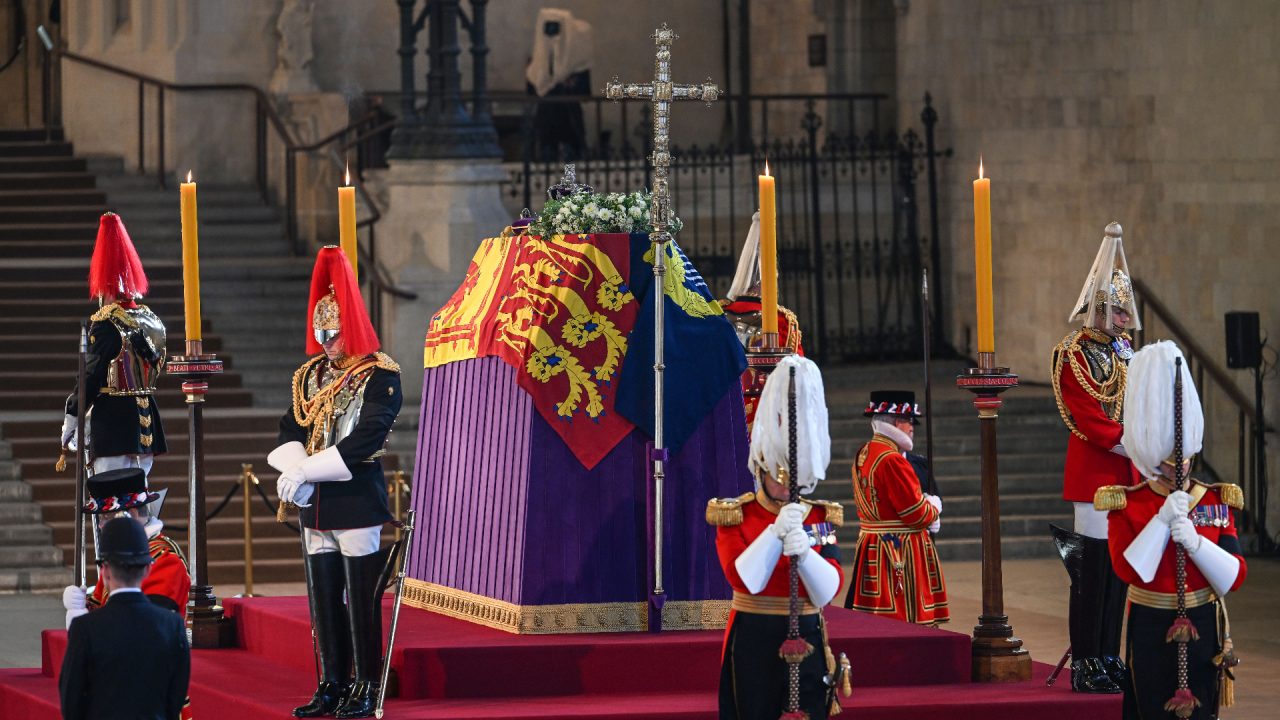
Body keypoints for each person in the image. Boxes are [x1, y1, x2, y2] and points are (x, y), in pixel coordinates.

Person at [270, 246, 402, 719]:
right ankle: (331, 681)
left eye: (335, 331)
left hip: (355, 496)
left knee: (361, 599)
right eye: (321, 331)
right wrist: (293, 466)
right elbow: (292, 426)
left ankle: (367, 682)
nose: (326, 341)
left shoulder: (379, 375)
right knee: (323, 597)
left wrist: (310, 468)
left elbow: (368, 435)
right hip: (317, 500)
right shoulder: (309, 375)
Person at [1099, 341, 1246, 720]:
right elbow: (1129, 571)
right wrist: (1161, 521)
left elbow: (1234, 575)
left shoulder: (1214, 498)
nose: (1177, 466)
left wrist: (1195, 543)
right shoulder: (1128, 503)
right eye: (1167, 461)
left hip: (1202, 622)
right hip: (1150, 623)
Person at [708, 355, 850, 719]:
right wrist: (774, 535)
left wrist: (806, 555)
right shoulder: (736, 514)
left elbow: (827, 590)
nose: (786, 487)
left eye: (794, 479)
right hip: (755, 634)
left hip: (806, 629)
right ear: (761, 469)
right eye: (778, 477)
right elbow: (744, 580)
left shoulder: (818, 515)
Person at [1049, 221, 1141, 694]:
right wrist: (1135, 440)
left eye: (1127, 312)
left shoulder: (1126, 354)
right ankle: (1085, 660)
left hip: (1127, 474)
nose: (1126, 320)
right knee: (1092, 571)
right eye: (1119, 311)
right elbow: (1088, 417)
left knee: (1118, 571)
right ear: (1100, 308)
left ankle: (1108, 654)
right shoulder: (1075, 354)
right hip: (1095, 474)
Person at [60, 467, 192, 719]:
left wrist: (85, 624)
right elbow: (105, 606)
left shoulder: (165, 559)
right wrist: (81, 605)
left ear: (128, 513)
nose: (99, 524)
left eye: (105, 517)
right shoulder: (121, 557)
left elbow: (144, 629)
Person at [60, 212, 167, 477]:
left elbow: (91, 377)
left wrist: (71, 420)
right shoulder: (151, 319)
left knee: (110, 506)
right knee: (137, 505)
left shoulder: (106, 323)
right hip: (146, 423)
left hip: (113, 424)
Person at [843, 390, 948, 625]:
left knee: (875, 617)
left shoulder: (865, 451)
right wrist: (933, 506)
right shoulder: (892, 459)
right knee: (904, 619)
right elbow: (916, 514)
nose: (912, 427)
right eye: (909, 421)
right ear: (897, 422)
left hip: (874, 543)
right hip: (898, 549)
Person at [719, 211, 805, 429]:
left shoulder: (718, 314)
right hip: (765, 418)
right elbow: (798, 376)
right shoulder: (781, 320)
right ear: (772, 276)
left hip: (723, 412)